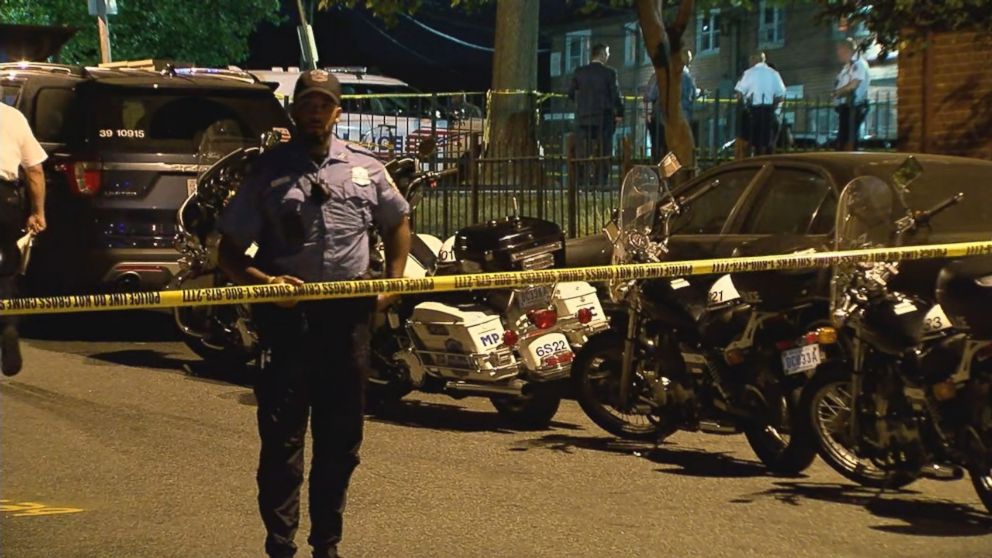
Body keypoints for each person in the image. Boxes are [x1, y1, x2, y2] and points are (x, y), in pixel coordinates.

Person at [217, 69, 411, 558]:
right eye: (307, 103)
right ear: (295, 110)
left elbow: (398, 220)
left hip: (347, 321)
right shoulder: (267, 172)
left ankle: (327, 544)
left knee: (340, 441)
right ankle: (279, 544)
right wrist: (263, 283)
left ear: (337, 113)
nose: (315, 112)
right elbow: (229, 253)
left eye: (324, 104)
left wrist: (393, 281)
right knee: (282, 442)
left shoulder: (366, 168)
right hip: (288, 321)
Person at [0, 100, 47, 376]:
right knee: (6, 272)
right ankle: (7, 326)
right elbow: (35, 170)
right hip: (4, 200)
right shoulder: (12, 116)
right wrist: (37, 212)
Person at [568, 43, 624, 187]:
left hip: (584, 117)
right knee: (604, 150)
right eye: (608, 53)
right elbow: (615, 94)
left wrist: (581, 105)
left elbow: (570, 93)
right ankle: (600, 181)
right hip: (603, 117)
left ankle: (581, 180)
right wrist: (620, 112)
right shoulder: (609, 73)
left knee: (582, 151)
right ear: (603, 54)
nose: (609, 56)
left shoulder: (579, 72)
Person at [734, 52, 786, 157]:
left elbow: (739, 93)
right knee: (766, 144)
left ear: (754, 59)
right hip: (768, 112)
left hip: (753, 111)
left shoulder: (749, 73)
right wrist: (773, 106)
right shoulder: (774, 73)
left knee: (750, 142)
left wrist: (745, 104)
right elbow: (781, 95)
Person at [833, 38, 871, 151]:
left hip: (854, 107)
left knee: (849, 140)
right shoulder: (847, 66)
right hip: (845, 108)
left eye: (840, 50)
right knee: (842, 140)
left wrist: (837, 93)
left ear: (847, 50)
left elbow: (854, 84)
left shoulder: (858, 64)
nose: (838, 53)